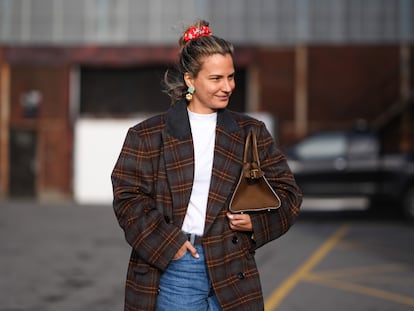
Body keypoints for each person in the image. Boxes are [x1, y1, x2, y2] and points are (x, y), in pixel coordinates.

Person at [111, 19, 302, 311]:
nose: (227, 87)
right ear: (190, 80)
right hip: (178, 265)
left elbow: (289, 195)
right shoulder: (147, 135)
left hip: (234, 266)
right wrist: (169, 244)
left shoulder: (251, 131)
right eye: (216, 79)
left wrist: (258, 223)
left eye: (231, 77)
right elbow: (128, 199)